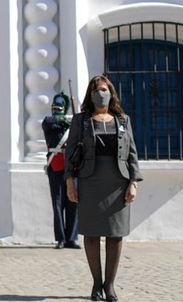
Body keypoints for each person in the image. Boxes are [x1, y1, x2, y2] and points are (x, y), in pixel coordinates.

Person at [65, 75, 142, 302]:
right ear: (90, 94)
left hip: (118, 183)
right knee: (91, 233)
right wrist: (70, 181)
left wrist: (134, 182)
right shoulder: (81, 120)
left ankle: (110, 286)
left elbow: (132, 154)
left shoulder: (123, 120)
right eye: (97, 90)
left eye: (105, 89)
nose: (101, 93)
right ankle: (96, 284)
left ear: (111, 92)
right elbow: (70, 152)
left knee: (115, 234)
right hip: (90, 181)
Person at [41, 91, 79, 250]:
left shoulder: (72, 124)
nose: (57, 110)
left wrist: (74, 120)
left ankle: (72, 238)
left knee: (73, 202)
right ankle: (61, 238)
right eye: (55, 107)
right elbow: (50, 121)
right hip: (55, 166)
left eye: (60, 107)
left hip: (72, 166)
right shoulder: (49, 122)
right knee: (57, 203)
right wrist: (66, 119)